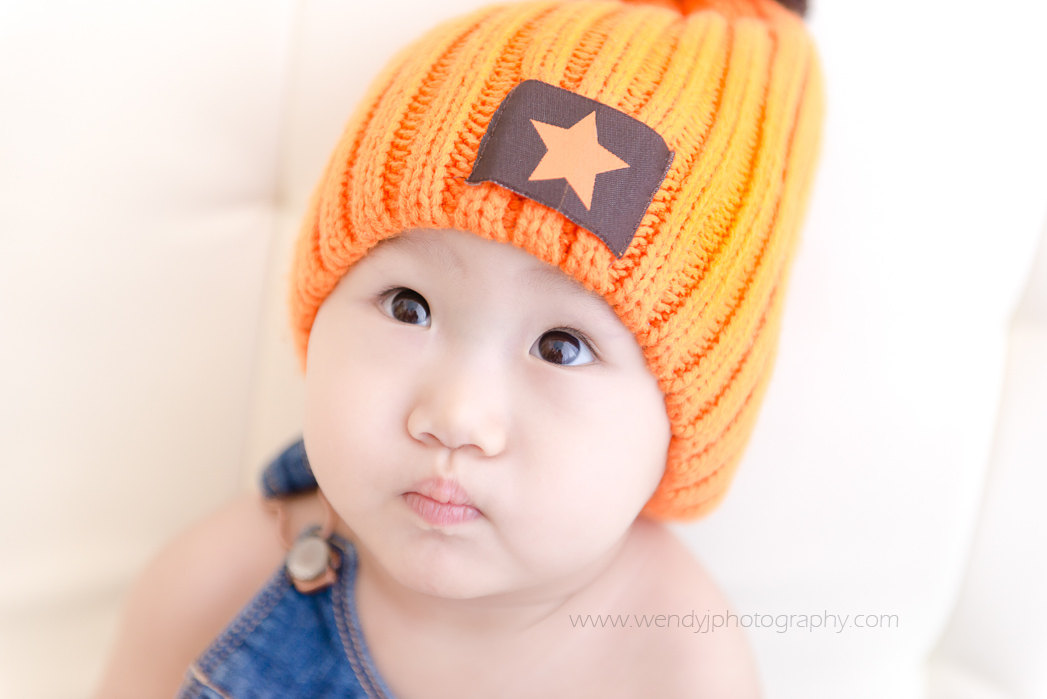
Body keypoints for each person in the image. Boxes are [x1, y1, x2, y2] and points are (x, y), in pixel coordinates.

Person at [96, 0, 822, 695]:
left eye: (560, 346)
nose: (455, 415)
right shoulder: (217, 585)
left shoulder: (674, 658)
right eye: (408, 308)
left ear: (683, 429)